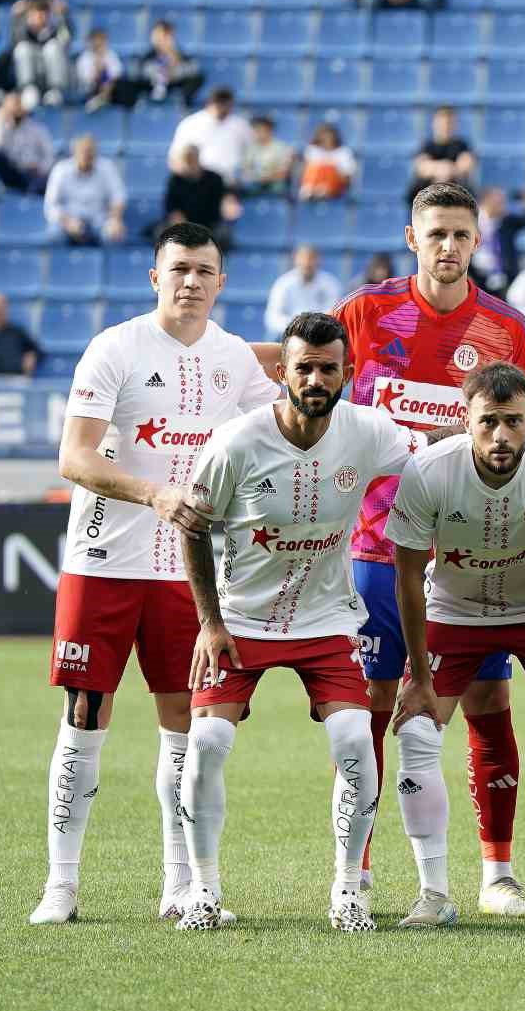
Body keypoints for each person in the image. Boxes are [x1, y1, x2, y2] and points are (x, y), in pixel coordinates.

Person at [245, 183, 525, 910]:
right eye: (436, 233)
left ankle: (497, 876)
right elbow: (304, 376)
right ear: (413, 237)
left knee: (487, 698)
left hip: (470, 554)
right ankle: (353, 873)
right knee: (372, 710)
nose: (448, 246)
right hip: (376, 548)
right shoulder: (364, 312)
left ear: (477, 242)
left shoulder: (506, 326)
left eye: (460, 234)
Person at [25, 222, 280, 926]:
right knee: (84, 718)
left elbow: (282, 431)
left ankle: (179, 886)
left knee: (187, 727)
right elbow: (74, 458)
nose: (191, 281)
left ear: (221, 282)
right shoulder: (116, 348)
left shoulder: (233, 361)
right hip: (101, 563)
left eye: (204, 270)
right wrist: (155, 494)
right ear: (155, 277)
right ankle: (62, 885)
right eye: (179, 269)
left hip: (184, 575)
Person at [174, 312, 433, 932]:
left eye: (327, 368)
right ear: (281, 373)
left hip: (325, 622)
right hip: (241, 622)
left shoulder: (369, 431)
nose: (315, 379)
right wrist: (210, 623)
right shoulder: (236, 442)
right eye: (303, 367)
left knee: (352, 741)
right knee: (207, 744)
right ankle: (203, 890)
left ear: (348, 372)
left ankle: (349, 891)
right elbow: (192, 524)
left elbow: (435, 459)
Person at [384, 361, 525, 929]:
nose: (501, 436)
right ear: (466, 420)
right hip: (455, 612)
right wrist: (417, 674)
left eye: (513, 422)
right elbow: (408, 575)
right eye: (488, 423)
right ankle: (433, 893)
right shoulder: (429, 470)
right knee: (414, 731)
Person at [43, 134, 125, 246]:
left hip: (99, 220)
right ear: (74, 152)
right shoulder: (61, 169)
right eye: (83, 151)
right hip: (69, 219)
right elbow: (51, 205)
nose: (87, 155)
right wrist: (68, 222)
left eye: (91, 151)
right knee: (54, 236)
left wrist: (115, 219)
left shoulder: (107, 167)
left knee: (114, 235)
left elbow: (118, 196)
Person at [168, 86, 249, 188]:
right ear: (211, 103)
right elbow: (175, 157)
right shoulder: (190, 123)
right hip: (199, 181)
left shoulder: (240, 125)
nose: (224, 109)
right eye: (220, 105)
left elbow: (252, 151)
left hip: (230, 182)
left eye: (227, 106)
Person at [161, 144, 239, 250]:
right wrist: (178, 220)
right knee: (162, 233)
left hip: (210, 226)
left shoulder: (214, 179)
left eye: (192, 158)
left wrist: (228, 203)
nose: (190, 162)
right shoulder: (175, 180)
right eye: (187, 159)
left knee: (223, 234)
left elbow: (225, 201)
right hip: (184, 225)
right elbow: (171, 208)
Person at [0, 89, 50, 199]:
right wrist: (1, 123)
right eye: (12, 106)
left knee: (43, 184)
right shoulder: (0, 128)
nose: (16, 109)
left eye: (18, 105)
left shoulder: (37, 129)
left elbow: (49, 154)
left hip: (31, 174)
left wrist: (40, 167)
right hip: (10, 172)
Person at [264, 244, 343, 337]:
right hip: (290, 332)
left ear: (319, 260)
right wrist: (294, 327)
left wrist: (313, 326)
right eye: (303, 258)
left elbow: (334, 314)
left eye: (311, 259)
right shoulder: (283, 283)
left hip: (320, 333)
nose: (307, 263)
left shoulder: (331, 283)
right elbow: (272, 316)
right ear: (295, 260)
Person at [474, 185, 525, 294]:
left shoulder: (507, 221)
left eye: (503, 202)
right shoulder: (471, 221)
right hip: (477, 275)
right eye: (498, 202)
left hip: (505, 275)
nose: (503, 206)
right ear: (486, 201)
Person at [9, 0, 68, 110]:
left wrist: (62, 16)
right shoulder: (23, 31)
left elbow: (66, 40)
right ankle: (28, 90)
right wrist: (16, 18)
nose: (40, 18)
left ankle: (55, 91)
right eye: (36, 14)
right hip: (31, 77)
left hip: (50, 77)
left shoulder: (55, 29)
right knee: (22, 48)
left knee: (53, 46)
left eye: (44, 14)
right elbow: (15, 42)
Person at [406, 105, 475, 202]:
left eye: (449, 122)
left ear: (455, 124)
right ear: (434, 123)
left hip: (456, 197)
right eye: (442, 122)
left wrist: (446, 170)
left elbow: (467, 165)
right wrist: (442, 168)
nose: (445, 126)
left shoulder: (462, 145)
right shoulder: (427, 146)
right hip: (425, 199)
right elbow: (422, 167)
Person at [131, 19, 204, 108]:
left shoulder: (180, 55)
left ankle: (183, 105)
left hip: (174, 85)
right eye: (158, 35)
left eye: (165, 35)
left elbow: (194, 69)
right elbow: (136, 73)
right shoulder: (146, 56)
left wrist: (174, 62)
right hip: (151, 86)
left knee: (198, 78)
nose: (161, 39)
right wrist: (158, 73)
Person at [298, 122, 356, 201]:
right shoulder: (312, 150)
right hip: (313, 184)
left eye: (329, 136)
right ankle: (310, 191)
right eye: (324, 136)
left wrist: (330, 172)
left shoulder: (343, 152)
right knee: (313, 168)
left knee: (329, 169)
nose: (327, 139)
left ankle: (321, 190)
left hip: (335, 187)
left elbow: (346, 178)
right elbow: (304, 173)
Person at [240, 115, 294, 197]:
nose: (257, 133)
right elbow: (245, 170)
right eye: (255, 130)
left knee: (279, 186)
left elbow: (284, 172)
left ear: (269, 130)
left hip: (274, 184)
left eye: (260, 130)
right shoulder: (250, 148)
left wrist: (267, 178)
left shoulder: (281, 148)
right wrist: (254, 178)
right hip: (255, 184)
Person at [74, 27, 120, 113]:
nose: (99, 43)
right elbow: (86, 79)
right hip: (89, 90)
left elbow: (116, 75)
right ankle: (99, 99)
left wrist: (105, 72)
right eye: (96, 40)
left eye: (102, 40)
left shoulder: (111, 55)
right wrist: (97, 69)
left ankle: (102, 99)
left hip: (110, 91)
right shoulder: (84, 58)